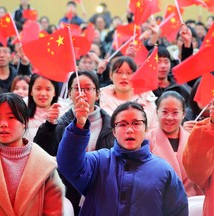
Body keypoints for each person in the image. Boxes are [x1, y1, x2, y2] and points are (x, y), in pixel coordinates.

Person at [57, 100, 188, 215]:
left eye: (136, 123)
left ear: (146, 129)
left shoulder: (163, 170)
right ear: (114, 131)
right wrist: (79, 127)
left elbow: (177, 211)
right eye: (123, 124)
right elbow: (69, 164)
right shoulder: (99, 161)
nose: (130, 130)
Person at [34, 71, 114, 215]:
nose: (81, 94)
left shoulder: (111, 125)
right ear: (69, 93)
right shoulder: (59, 123)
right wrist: (49, 127)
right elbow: (41, 157)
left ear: (98, 93)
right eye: (76, 89)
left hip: (102, 195)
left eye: (88, 89)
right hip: (68, 195)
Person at [0, 93, 65, 215]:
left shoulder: (45, 164)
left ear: (24, 121)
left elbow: (54, 211)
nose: (3, 124)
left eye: (11, 117)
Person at [146, 91, 202, 196]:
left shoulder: (193, 140)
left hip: (189, 202)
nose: (169, 118)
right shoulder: (147, 140)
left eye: (175, 112)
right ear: (157, 112)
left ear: (184, 114)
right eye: (165, 112)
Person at [100, 56, 158, 130]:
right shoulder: (101, 99)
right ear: (111, 75)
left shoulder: (147, 99)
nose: (124, 77)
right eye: (119, 72)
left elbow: (154, 131)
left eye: (129, 73)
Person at [24, 74, 60, 141]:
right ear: (31, 91)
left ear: (54, 92)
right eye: (38, 89)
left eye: (48, 89)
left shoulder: (63, 115)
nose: (43, 93)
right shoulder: (21, 114)